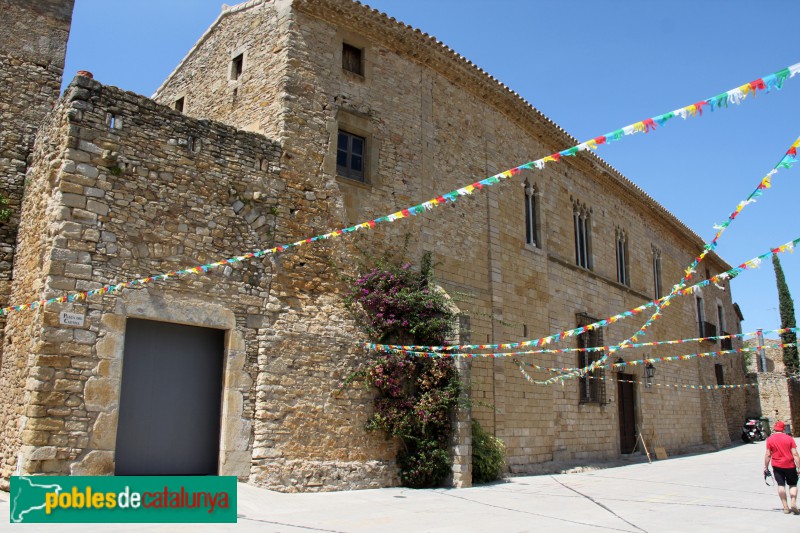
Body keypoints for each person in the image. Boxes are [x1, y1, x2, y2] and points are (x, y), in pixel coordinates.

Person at [764, 420, 800, 514]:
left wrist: (766, 467)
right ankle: (793, 502)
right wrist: (799, 467)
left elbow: (768, 454)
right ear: (783, 429)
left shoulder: (770, 439)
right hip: (790, 465)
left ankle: (785, 507)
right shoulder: (789, 438)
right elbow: (795, 454)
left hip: (777, 466)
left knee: (781, 485)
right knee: (792, 484)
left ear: (775, 429)